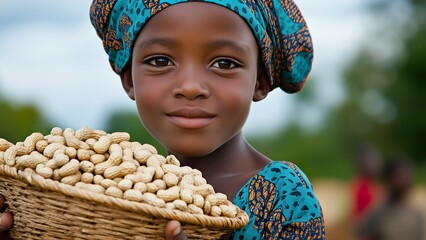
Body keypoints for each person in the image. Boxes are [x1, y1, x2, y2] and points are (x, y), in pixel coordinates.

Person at [0, 0, 326, 239]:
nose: (190, 87)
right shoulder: (101, 191)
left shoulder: (282, 195)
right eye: (160, 60)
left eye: (224, 63)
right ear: (129, 79)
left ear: (260, 82)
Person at [355, 155, 424, 240]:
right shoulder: (378, 212)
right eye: (400, 176)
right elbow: (359, 233)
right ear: (389, 178)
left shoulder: (415, 215)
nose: (405, 180)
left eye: (408, 176)